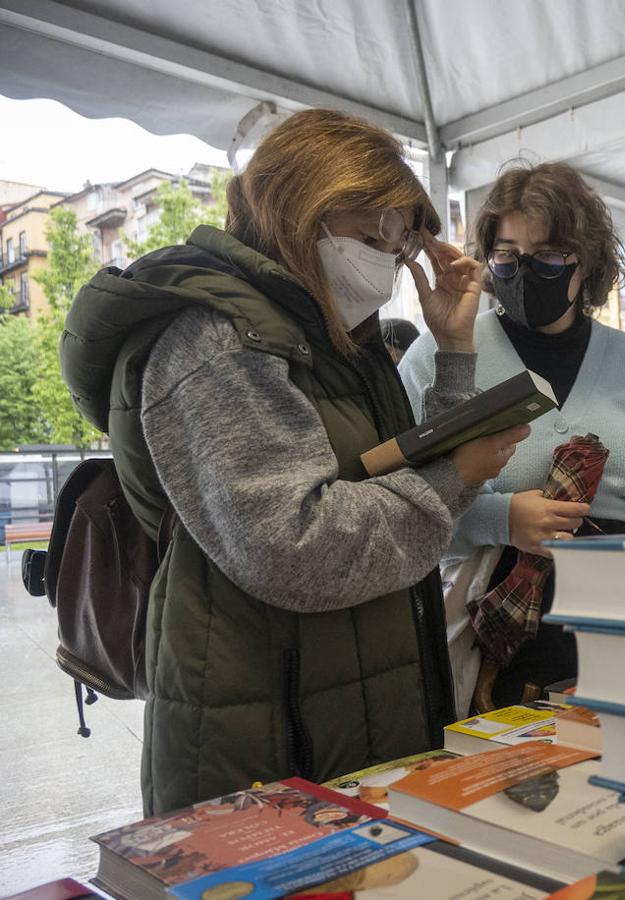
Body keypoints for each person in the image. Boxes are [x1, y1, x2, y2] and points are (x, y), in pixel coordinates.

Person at [61, 109, 528, 814]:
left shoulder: (329, 338)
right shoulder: (219, 339)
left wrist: (454, 348)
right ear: (306, 203)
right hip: (266, 738)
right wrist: (453, 474)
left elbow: (400, 482)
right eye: (381, 230)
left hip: (343, 707)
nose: (394, 256)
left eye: (401, 238)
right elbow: (294, 544)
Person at [400, 161, 625, 710]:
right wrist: (498, 518)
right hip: (491, 620)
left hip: (619, 617)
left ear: (584, 261)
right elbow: (402, 497)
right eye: (507, 252)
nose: (523, 269)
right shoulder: (444, 352)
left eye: (547, 255)